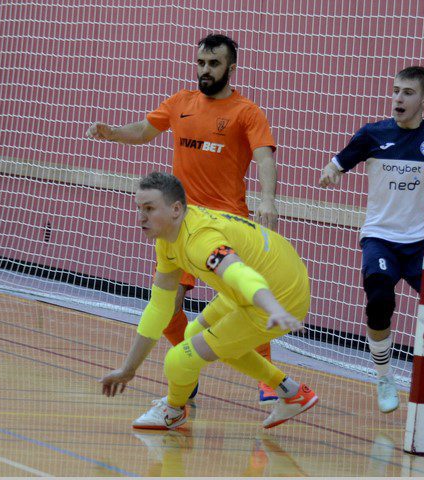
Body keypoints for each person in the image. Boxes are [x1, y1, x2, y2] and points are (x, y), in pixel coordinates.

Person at [87, 34, 280, 404]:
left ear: (231, 68)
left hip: (227, 224)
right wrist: (113, 133)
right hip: (182, 224)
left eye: (214, 64)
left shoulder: (247, 112)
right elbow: (143, 131)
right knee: (168, 304)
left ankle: (270, 379)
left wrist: (268, 198)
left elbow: (264, 157)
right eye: (201, 63)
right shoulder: (180, 102)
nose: (205, 70)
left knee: (248, 299)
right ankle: (185, 371)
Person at [99, 172, 318, 431]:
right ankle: (291, 392)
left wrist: (272, 307)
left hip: (277, 297)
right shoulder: (168, 237)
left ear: (176, 209)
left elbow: (238, 272)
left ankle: (174, 410)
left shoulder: (200, 240)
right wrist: (128, 368)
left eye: (149, 208)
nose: (141, 217)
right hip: (268, 277)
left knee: (178, 360)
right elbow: (159, 307)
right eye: (139, 208)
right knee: (193, 334)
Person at [319, 66, 424, 426]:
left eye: (407, 93)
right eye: (396, 90)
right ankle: (384, 378)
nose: (398, 98)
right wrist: (331, 173)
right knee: (379, 298)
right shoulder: (373, 134)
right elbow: (337, 163)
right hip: (381, 237)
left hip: (423, 241)